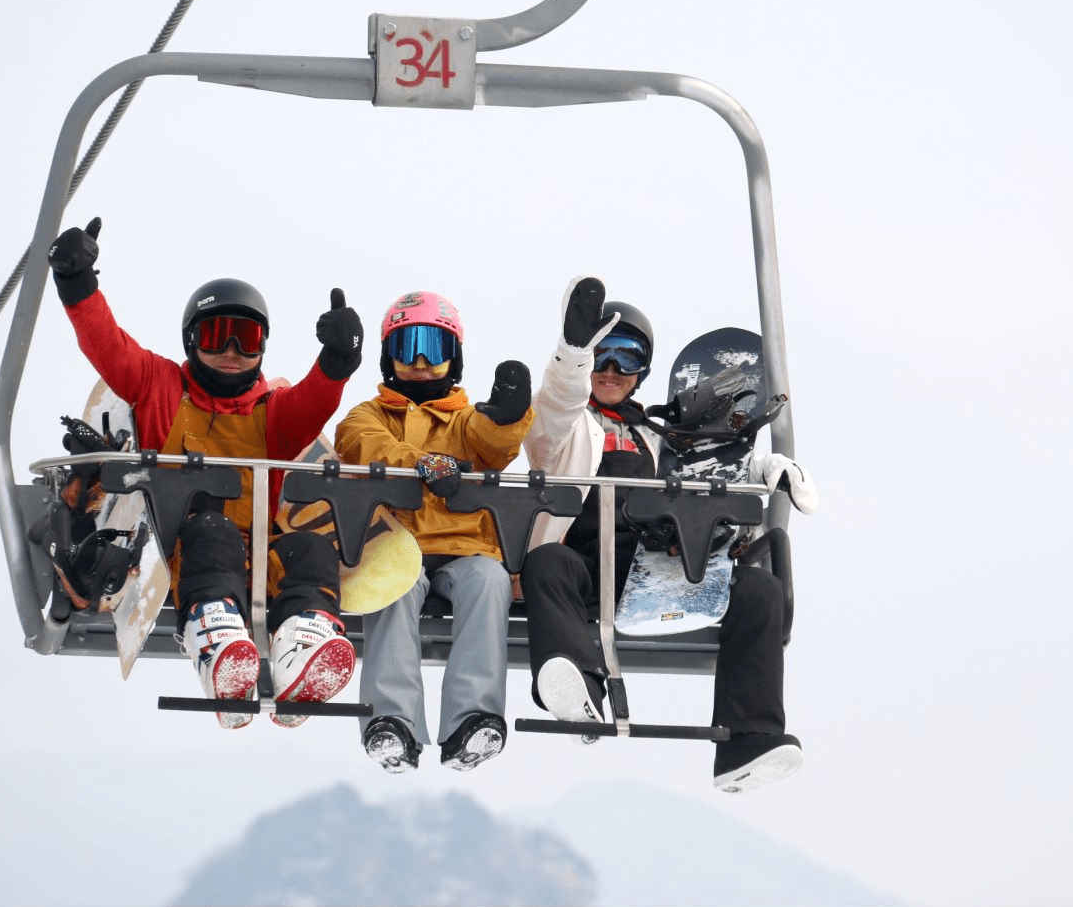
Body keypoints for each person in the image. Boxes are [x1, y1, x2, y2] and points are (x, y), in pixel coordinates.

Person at [47, 216, 366, 730]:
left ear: (264, 347)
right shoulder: (160, 386)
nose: (233, 354)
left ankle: (301, 649)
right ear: (192, 340)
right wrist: (78, 284)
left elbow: (314, 400)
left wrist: (337, 360)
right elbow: (108, 346)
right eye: (219, 337)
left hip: (260, 548)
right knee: (213, 529)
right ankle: (214, 637)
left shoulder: (273, 412)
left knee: (308, 548)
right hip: (185, 544)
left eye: (248, 339)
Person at [519, 277, 819, 791]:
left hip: (655, 567)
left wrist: (765, 469)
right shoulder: (564, 427)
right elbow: (551, 413)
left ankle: (749, 739)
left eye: (627, 360)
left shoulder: (663, 438)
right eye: (602, 357)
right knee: (545, 563)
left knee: (759, 590)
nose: (611, 371)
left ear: (643, 372)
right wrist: (572, 355)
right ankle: (576, 685)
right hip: (588, 565)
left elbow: (715, 467)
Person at [335, 290, 534, 773]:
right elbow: (365, 445)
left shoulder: (466, 421)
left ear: (455, 357)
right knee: (391, 586)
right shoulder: (369, 415)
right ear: (389, 359)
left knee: (489, 581)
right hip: (396, 542)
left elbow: (494, 442)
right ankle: (392, 721)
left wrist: (509, 416)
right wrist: (421, 463)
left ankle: (473, 718)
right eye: (407, 349)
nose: (421, 362)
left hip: (464, 547)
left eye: (435, 348)